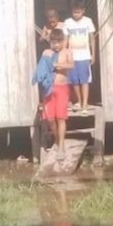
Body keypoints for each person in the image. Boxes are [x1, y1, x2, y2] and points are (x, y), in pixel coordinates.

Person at [32, 29, 73, 166]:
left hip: (62, 88)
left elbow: (71, 65)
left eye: (58, 42)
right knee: (50, 119)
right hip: (49, 89)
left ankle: (61, 146)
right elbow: (41, 68)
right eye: (53, 42)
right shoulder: (46, 53)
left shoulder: (67, 52)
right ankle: (57, 139)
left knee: (61, 117)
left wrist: (58, 65)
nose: (56, 45)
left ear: (63, 41)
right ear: (50, 42)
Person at [61, 1, 96, 110]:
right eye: (74, 12)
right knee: (74, 81)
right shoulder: (67, 22)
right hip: (72, 56)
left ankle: (85, 104)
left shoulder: (88, 21)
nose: (76, 14)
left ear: (83, 11)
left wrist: (93, 54)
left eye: (78, 12)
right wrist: (63, 54)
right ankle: (79, 101)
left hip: (84, 56)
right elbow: (65, 40)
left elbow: (92, 39)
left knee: (84, 80)